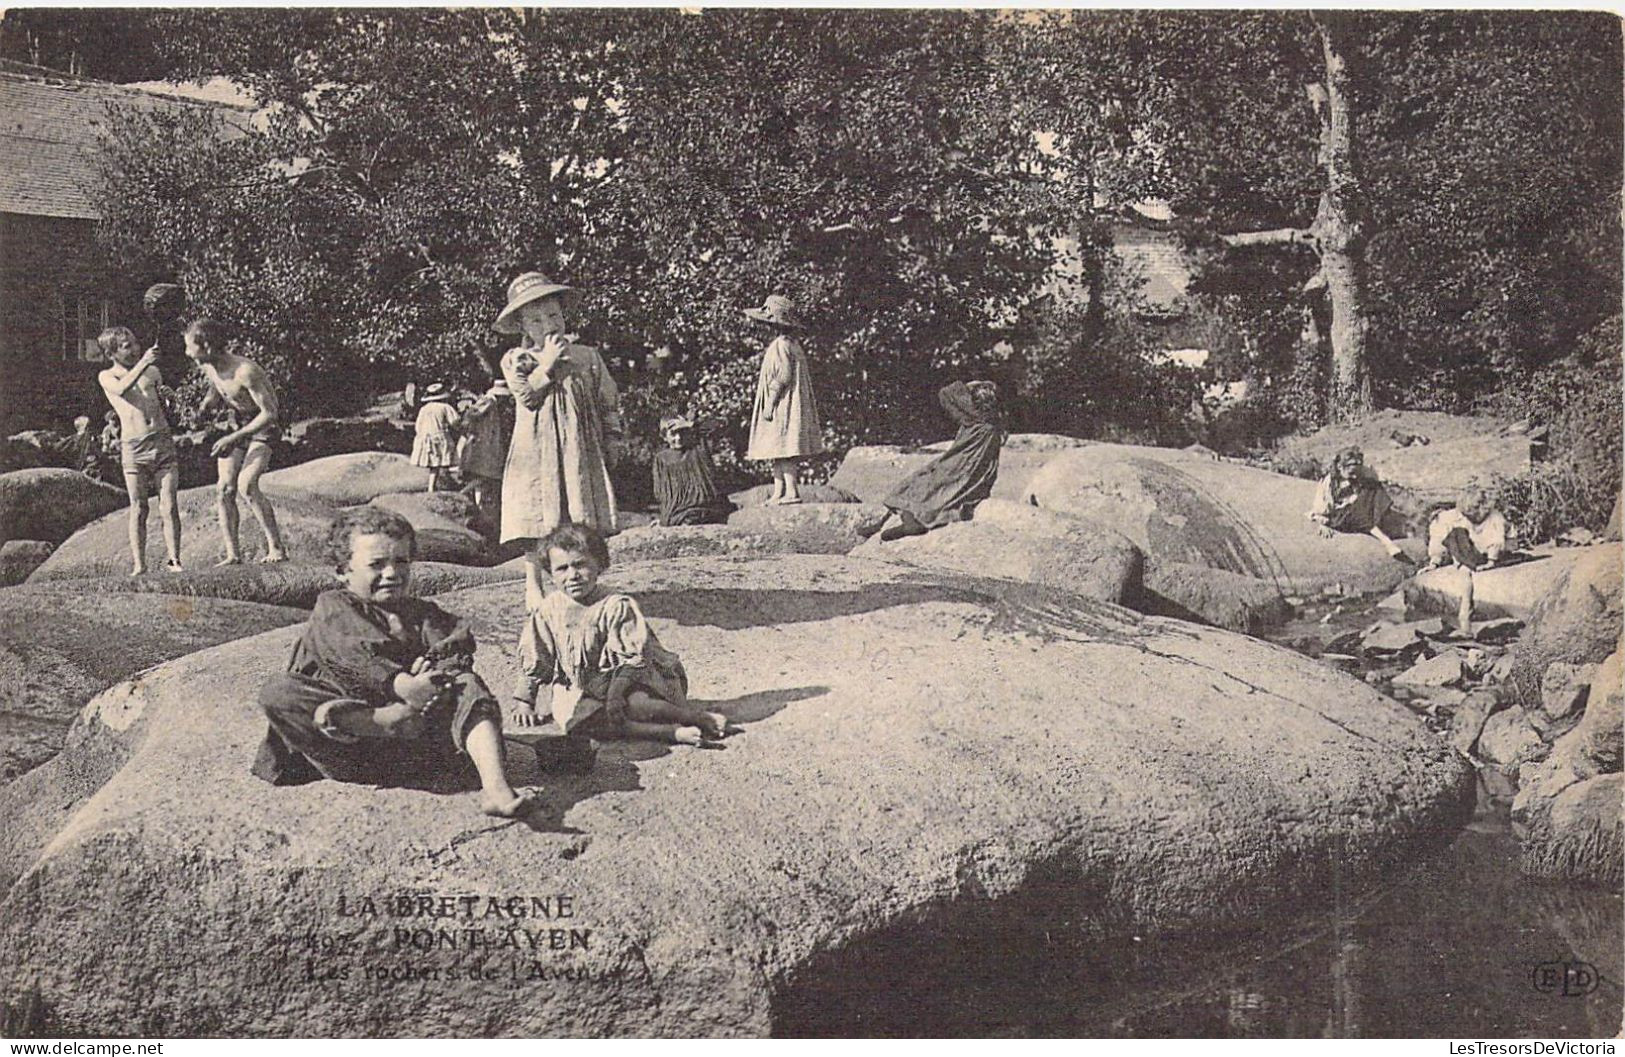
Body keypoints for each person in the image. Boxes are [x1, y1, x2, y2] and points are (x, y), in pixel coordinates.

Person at [251, 507, 536, 817]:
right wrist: (402, 685)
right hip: (344, 746)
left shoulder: (424, 614)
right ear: (342, 571)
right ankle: (378, 721)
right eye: (376, 564)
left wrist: (435, 677)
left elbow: (454, 648)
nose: (392, 573)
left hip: (417, 751)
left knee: (466, 684)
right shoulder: (334, 607)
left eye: (401, 561)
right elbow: (352, 653)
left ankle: (495, 786)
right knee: (278, 691)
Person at [510, 524, 730, 746]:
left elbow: (633, 660)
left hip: (630, 680)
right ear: (551, 574)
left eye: (580, 565)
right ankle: (667, 732)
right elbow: (537, 655)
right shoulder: (549, 609)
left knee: (637, 704)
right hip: (579, 688)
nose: (573, 575)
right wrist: (525, 701)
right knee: (578, 724)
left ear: (599, 565)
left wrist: (616, 695)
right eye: (562, 568)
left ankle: (691, 716)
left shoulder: (616, 605)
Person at [493, 272, 624, 611]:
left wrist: (612, 438)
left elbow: (607, 400)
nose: (548, 324)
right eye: (536, 319)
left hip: (579, 449)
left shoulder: (586, 356)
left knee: (579, 512)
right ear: (523, 325)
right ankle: (533, 585)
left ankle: (583, 579)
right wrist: (547, 364)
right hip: (536, 450)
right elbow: (527, 397)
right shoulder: (516, 359)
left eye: (553, 315)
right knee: (538, 513)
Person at [187, 319, 289, 565]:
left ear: (207, 346)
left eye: (190, 346)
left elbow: (270, 413)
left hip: (263, 427)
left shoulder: (245, 371)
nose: (187, 353)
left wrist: (233, 438)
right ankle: (233, 554)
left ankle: (277, 548)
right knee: (224, 489)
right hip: (238, 423)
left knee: (246, 484)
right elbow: (216, 388)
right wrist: (205, 407)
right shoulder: (209, 365)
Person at [869, 380, 1003, 543]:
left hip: (957, 468)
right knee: (928, 482)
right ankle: (883, 523)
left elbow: (946, 393)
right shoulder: (993, 424)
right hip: (974, 475)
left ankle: (909, 522)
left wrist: (971, 383)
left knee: (920, 481)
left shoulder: (975, 419)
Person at [96, 326, 182, 575]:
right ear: (111, 353)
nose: (135, 349)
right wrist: (144, 361)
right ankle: (140, 565)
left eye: (135, 343)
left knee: (169, 504)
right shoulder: (107, 376)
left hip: (162, 441)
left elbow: (160, 405)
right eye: (126, 346)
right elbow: (123, 389)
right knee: (139, 507)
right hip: (133, 448)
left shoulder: (153, 371)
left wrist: (169, 398)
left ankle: (175, 560)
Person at [744, 294, 823, 505]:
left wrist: (770, 402)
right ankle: (779, 492)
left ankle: (791, 492)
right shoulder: (792, 344)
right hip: (786, 402)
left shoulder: (781, 345)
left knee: (785, 449)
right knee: (777, 449)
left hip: (782, 403)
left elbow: (783, 375)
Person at [1426, 486, 1509, 635]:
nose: (1471, 516)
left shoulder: (1494, 517)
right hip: (1467, 551)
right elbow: (1438, 536)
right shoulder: (1453, 516)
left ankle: (1465, 612)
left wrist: (1491, 561)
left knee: (1465, 571)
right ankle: (1465, 615)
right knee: (1454, 532)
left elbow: (1496, 539)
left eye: (1475, 511)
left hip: (1486, 553)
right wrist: (1434, 561)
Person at [1307, 446, 1407, 560]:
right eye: (1351, 473)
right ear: (1340, 467)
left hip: (1358, 508)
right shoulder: (1330, 482)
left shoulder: (1361, 473)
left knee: (1375, 489)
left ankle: (1382, 521)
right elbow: (1320, 507)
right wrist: (1323, 523)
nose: (1355, 476)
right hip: (1342, 516)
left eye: (1357, 472)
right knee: (1361, 512)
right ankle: (1386, 542)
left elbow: (1372, 481)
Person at [652, 416, 733, 527]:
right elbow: (660, 493)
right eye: (673, 434)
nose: (678, 437)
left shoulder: (699, 449)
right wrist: (663, 517)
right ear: (664, 437)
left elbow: (721, 424)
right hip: (678, 514)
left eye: (682, 432)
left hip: (706, 508)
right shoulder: (661, 459)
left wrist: (691, 424)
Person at [458, 377, 513, 534]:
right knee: (485, 474)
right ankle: (465, 495)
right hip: (483, 441)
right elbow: (472, 414)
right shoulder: (489, 401)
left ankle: (479, 506)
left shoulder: (494, 402)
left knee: (486, 477)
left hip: (487, 439)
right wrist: (473, 428)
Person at [410, 382, 461, 492]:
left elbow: (418, 426)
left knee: (434, 465)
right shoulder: (445, 407)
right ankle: (444, 484)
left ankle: (432, 487)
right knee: (444, 462)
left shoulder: (424, 409)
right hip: (439, 437)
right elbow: (455, 422)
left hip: (427, 437)